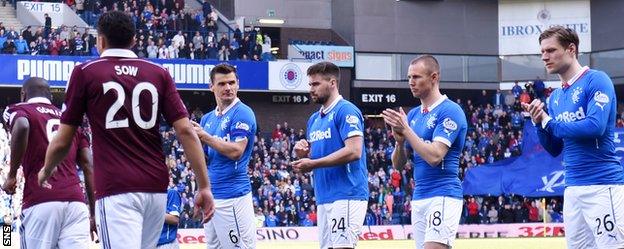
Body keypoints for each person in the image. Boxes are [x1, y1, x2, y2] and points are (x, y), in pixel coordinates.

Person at [38, 11, 215, 249]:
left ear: (100, 40)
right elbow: (185, 131)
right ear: (134, 40)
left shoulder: (85, 72)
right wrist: (204, 186)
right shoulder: (159, 73)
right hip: (155, 189)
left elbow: (63, 140)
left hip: (116, 188)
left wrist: (47, 169)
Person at [524, 26, 624, 249]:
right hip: (572, 189)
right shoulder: (556, 97)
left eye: (550, 50)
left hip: (602, 185)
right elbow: (554, 147)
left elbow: (595, 126)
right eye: (542, 52)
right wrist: (538, 122)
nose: (544, 56)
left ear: (571, 49)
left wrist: (549, 122)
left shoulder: (597, 80)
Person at [382, 55, 467, 249]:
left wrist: (407, 131)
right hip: (420, 197)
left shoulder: (450, 111)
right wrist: (399, 143)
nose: (411, 82)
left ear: (434, 77)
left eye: (417, 77)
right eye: (409, 77)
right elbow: (398, 165)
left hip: (443, 193)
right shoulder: (413, 115)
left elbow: (435, 156)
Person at [2, 77, 97, 248]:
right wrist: (93, 212)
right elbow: (88, 165)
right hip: (76, 203)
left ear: (23, 94)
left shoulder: (18, 109)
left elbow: (22, 125)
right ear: (51, 97)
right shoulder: (69, 120)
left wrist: (12, 175)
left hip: (41, 198)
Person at [292, 61, 368, 249]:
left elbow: (354, 150)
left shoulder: (346, 110)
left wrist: (313, 163)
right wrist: (303, 152)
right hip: (324, 196)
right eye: (310, 84)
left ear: (332, 83)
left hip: (347, 194)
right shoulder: (314, 119)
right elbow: (318, 153)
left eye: (316, 84)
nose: (311, 89)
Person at [193, 63, 257, 249]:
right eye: (222, 84)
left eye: (231, 82)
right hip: (212, 197)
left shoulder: (242, 112)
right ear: (211, 87)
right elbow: (205, 161)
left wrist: (204, 136)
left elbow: (237, 152)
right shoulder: (207, 119)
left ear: (238, 84)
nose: (228, 88)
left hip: (233, 197)